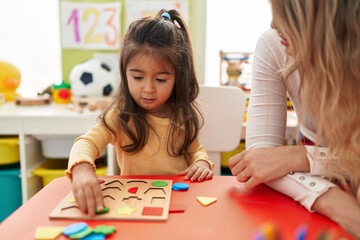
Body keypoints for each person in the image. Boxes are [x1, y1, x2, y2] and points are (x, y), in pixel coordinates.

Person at [229, 0, 360, 237]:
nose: (274, 23)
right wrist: (334, 202)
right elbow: (260, 160)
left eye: (287, 13)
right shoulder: (273, 45)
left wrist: (304, 157)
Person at [66, 9, 214, 217]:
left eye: (161, 80)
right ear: (124, 72)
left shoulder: (181, 115)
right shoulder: (120, 116)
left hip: (179, 203)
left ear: (178, 77)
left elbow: (195, 149)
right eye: (137, 77)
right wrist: (81, 169)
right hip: (134, 205)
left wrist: (201, 162)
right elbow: (87, 142)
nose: (148, 89)